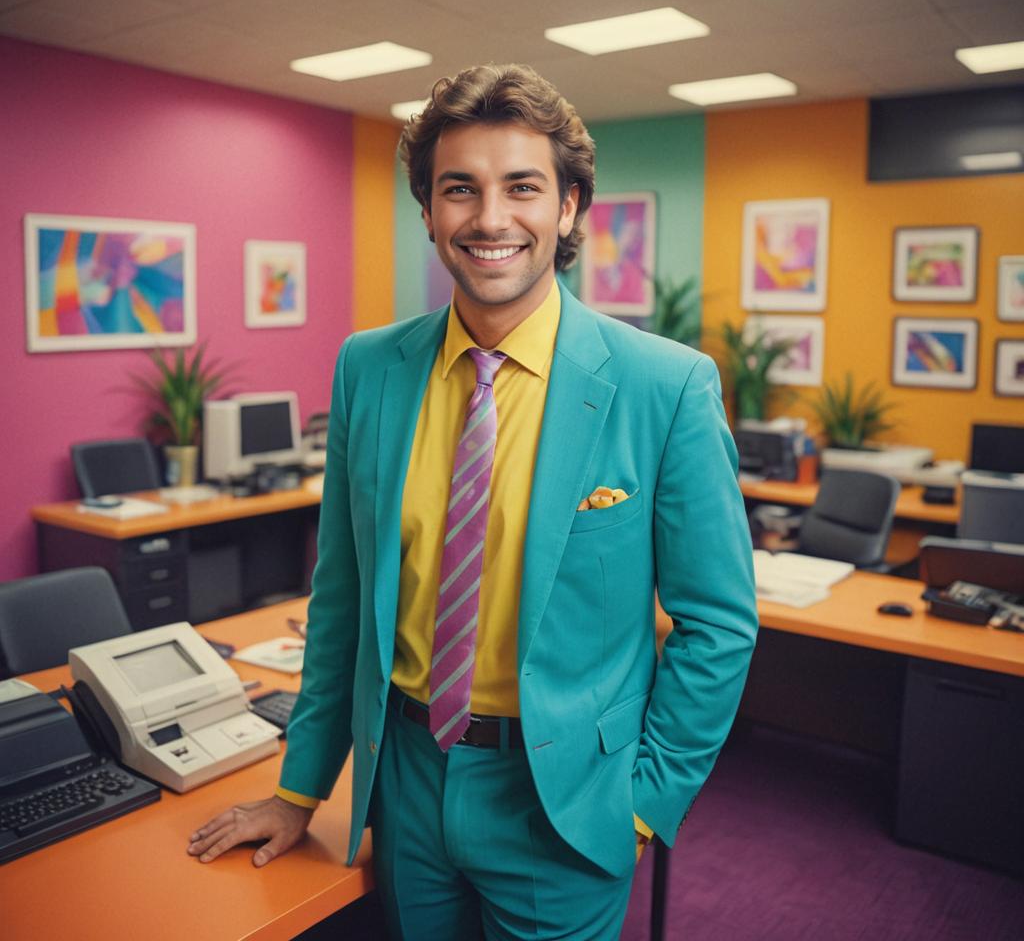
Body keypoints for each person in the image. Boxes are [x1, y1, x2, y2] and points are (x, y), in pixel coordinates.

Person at [187, 63, 758, 940]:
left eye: (522, 187)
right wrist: (301, 787)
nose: (490, 219)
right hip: (406, 779)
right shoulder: (368, 368)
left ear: (567, 208)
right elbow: (341, 600)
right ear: (428, 212)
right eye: (461, 189)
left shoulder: (665, 386)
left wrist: (642, 804)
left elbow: (718, 623)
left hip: (563, 798)